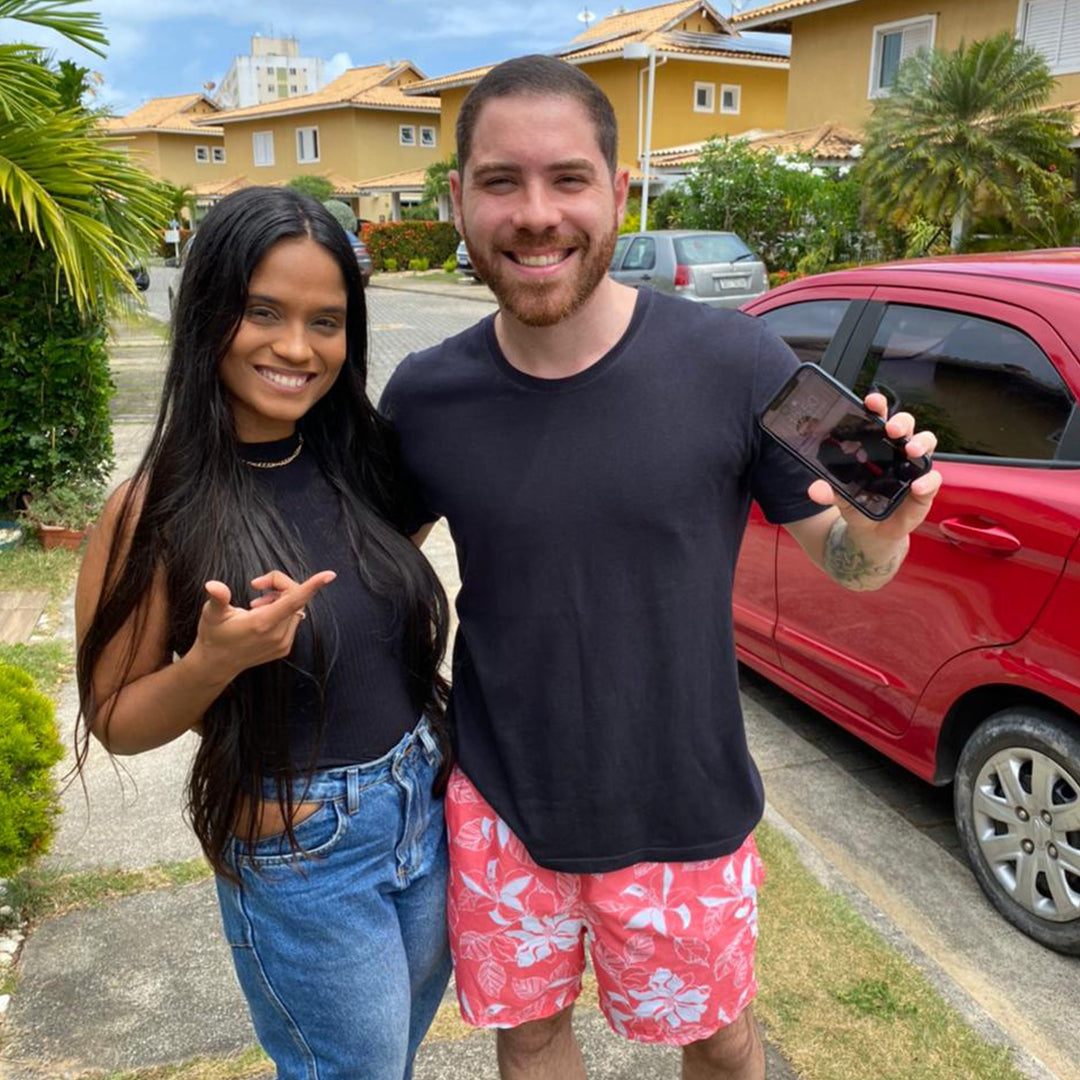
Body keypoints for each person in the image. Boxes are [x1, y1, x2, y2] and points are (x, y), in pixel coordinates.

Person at [379, 56, 942, 1080]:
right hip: (502, 802)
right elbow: (372, 570)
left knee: (722, 1042)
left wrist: (886, 529)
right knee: (530, 1035)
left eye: (568, 178)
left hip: (686, 803)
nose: (536, 214)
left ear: (618, 191)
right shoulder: (425, 395)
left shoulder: (740, 363)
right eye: (502, 181)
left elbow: (850, 560)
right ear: (458, 199)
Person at [74, 187, 452, 1080]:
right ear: (208, 312)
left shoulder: (361, 460)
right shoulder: (153, 507)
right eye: (263, 313)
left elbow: (385, 584)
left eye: (326, 322)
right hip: (307, 846)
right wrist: (213, 662)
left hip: (427, 809)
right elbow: (115, 719)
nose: (296, 348)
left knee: (389, 1062)